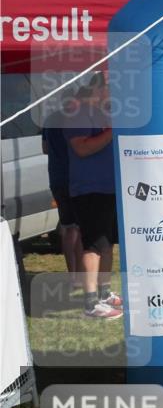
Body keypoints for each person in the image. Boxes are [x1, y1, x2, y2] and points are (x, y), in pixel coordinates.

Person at [64, 74, 121, 319]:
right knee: (93, 245)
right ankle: (90, 303)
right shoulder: (77, 113)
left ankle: (104, 293)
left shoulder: (101, 113)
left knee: (106, 244)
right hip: (89, 189)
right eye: (110, 87)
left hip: (107, 189)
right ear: (98, 87)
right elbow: (81, 148)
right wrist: (112, 131)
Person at [41, 95, 82, 277]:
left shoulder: (50, 119)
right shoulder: (77, 118)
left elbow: (45, 148)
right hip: (77, 179)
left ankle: (72, 274)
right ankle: (82, 274)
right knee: (80, 228)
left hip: (57, 178)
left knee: (67, 227)